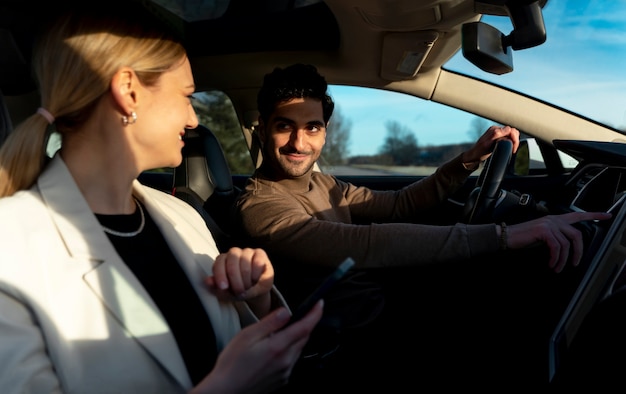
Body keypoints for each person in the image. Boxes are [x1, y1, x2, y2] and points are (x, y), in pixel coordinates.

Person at [0, 6, 323, 394]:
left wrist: (260, 299)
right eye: (187, 96)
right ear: (128, 91)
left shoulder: (181, 214)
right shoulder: (12, 244)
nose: (192, 119)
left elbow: (242, 345)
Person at [232, 63, 613, 388]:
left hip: (382, 304)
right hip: (351, 337)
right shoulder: (260, 206)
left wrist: (467, 160)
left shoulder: (325, 184)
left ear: (324, 131)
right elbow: (365, 244)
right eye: (285, 126)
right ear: (263, 128)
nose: (300, 142)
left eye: (312, 127)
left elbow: (400, 205)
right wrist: (506, 235)